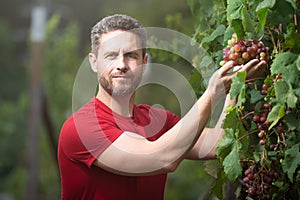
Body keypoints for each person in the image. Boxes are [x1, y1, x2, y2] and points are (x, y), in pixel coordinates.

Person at [57, 14, 266, 200]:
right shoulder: (81, 128)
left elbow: (216, 143)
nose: (121, 64)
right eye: (111, 56)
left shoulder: (156, 120)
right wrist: (212, 94)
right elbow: (162, 158)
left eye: (131, 55)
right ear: (94, 63)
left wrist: (235, 85)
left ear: (144, 61)